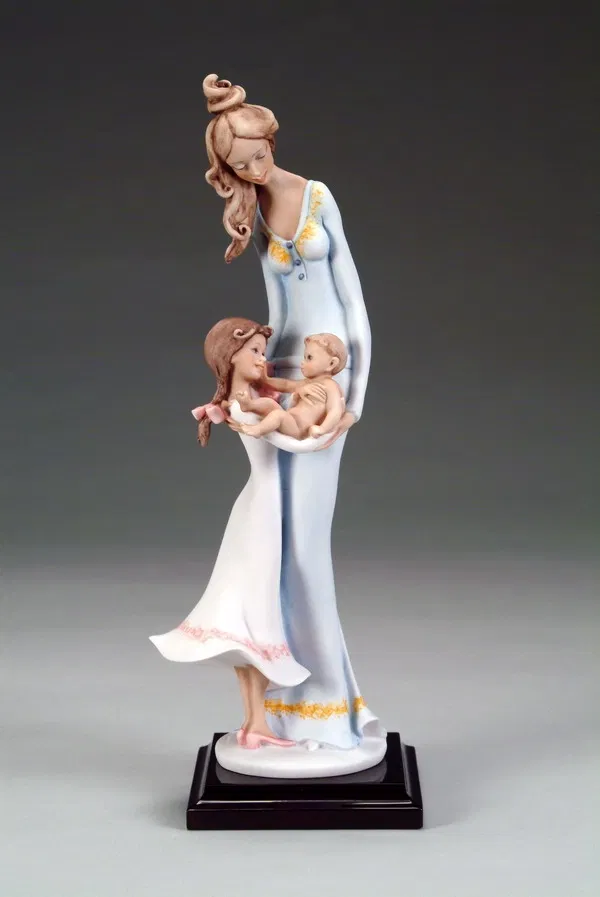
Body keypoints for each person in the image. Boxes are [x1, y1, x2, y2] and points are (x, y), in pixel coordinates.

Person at [202, 74, 385, 751]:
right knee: (276, 544)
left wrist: (354, 398)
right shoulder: (254, 214)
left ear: (272, 141)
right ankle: (281, 708)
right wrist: (248, 376)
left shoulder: (317, 197)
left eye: (259, 155)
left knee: (307, 548)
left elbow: (352, 300)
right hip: (284, 375)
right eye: (241, 166)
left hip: (328, 385)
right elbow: (278, 312)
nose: (255, 170)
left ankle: (331, 707)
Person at [149, 317, 310, 750]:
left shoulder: (252, 398)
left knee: (255, 613)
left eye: (263, 351)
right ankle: (256, 724)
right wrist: (329, 424)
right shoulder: (245, 405)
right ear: (231, 356)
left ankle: (255, 724)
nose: (262, 359)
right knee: (258, 610)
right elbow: (295, 442)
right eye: (255, 351)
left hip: (259, 505)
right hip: (262, 509)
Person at [230, 332, 347, 440]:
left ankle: (258, 430)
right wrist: (266, 380)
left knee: (278, 415)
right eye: (304, 357)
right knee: (270, 404)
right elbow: (286, 385)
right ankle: (248, 405)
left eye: (309, 358)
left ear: (331, 363)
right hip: (290, 418)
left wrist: (322, 429)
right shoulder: (307, 382)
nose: (302, 362)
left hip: (300, 429)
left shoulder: (330, 386)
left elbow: (335, 410)